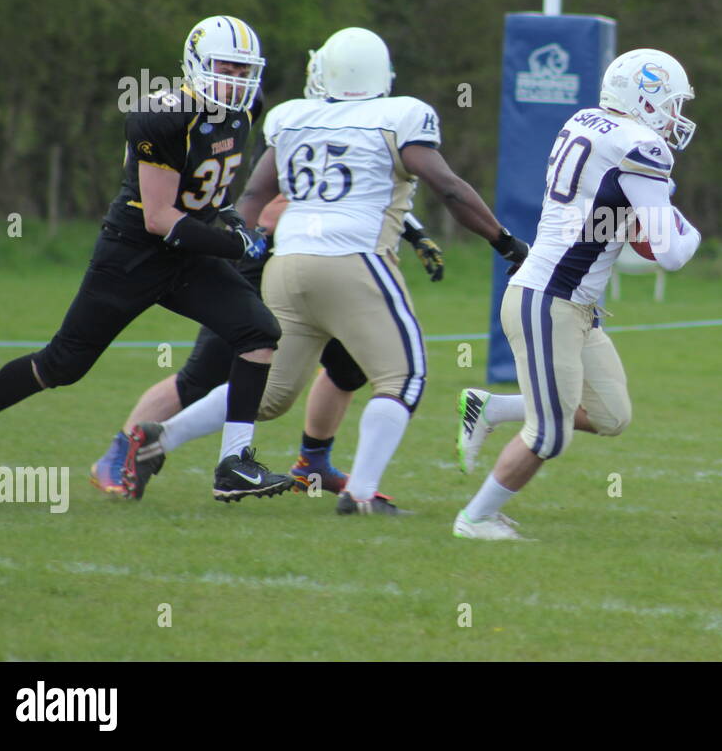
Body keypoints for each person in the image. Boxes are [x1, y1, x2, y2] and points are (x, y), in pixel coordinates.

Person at [125, 26, 527, 515]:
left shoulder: (294, 118)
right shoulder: (400, 115)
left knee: (267, 395)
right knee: (404, 379)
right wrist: (504, 242)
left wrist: (230, 254)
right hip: (354, 261)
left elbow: (251, 196)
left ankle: (158, 438)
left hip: (287, 265)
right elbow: (449, 188)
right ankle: (360, 496)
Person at [0, 16, 296, 502]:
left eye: (245, 70)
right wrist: (235, 244)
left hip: (190, 251)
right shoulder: (161, 115)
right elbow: (160, 217)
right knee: (62, 364)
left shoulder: (246, 110)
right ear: (197, 64)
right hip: (135, 252)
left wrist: (232, 222)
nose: (237, 79)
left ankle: (234, 464)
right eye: (227, 66)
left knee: (259, 333)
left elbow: (209, 188)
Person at [90, 50, 445, 499]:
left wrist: (411, 232)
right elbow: (270, 203)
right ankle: (122, 452)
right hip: (261, 266)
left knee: (346, 368)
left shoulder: (313, 121)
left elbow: (353, 191)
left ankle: (312, 462)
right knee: (205, 378)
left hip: (319, 272)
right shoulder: (292, 125)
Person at [453, 48, 702, 540]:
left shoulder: (586, 120)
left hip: (571, 303)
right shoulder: (642, 147)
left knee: (611, 414)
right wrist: (690, 228)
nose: (676, 117)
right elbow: (672, 253)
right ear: (645, 98)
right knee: (549, 433)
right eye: (670, 102)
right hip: (549, 302)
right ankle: (475, 518)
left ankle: (492, 407)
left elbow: (614, 212)